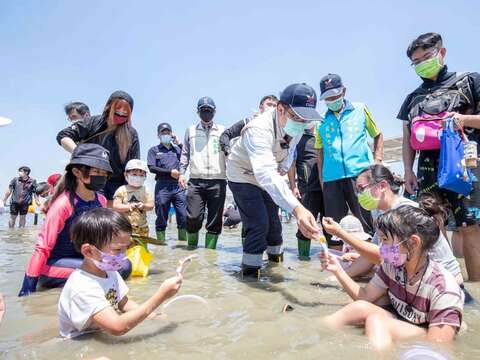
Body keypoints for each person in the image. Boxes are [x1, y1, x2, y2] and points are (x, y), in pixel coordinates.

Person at [321, 205, 464, 351]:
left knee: (377, 321)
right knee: (358, 307)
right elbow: (364, 297)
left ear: (413, 243)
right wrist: (337, 271)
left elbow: (438, 345)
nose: (381, 247)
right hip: (401, 321)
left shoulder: (444, 289)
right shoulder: (392, 266)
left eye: (385, 239)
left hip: (428, 333)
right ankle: (317, 333)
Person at [399, 32, 480, 281]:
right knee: (433, 227)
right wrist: (408, 170)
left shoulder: (469, 81)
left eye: (427, 56)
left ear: (442, 53)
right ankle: (446, 287)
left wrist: (463, 119)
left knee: (470, 227)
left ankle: (475, 291)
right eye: (416, 61)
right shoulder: (412, 99)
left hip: (463, 165)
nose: (422, 63)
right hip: (427, 169)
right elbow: (407, 139)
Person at [323, 165, 471, 301]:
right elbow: (370, 257)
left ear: (382, 186)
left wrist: (340, 233)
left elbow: (381, 254)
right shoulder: (382, 214)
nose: (359, 195)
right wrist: (339, 276)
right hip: (419, 284)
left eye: (362, 189)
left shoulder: (404, 212)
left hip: (446, 290)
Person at [227, 83, 321, 278]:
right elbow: (265, 173)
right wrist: (298, 209)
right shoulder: (258, 128)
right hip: (243, 176)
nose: (302, 123)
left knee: (275, 226)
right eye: (297, 117)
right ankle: (251, 277)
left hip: (268, 175)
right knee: (259, 223)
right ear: (280, 109)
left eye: (306, 119)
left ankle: (276, 268)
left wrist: (284, 168)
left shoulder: (294, 127)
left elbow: (289, 153)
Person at [18, 144, 132, 297]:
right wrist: (27, 289)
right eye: (96, 172)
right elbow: (42, 248)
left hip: (84, 258)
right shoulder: (64, 205)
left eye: (104, 173)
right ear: (77, 172)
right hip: (55, 265)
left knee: (124, 265)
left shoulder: (101, 200)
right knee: (108, 271)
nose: (101, 177)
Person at [58, 208, 183, 338]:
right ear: (89, 251)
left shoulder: (109, 270)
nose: (124, 255)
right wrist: (161, 296)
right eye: (117, 249)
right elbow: (117, 327)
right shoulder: (82, 286)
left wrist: (154, 317)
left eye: (126, 247)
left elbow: (123, 303)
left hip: (99, 335)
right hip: (78, 342)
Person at [315, 74, 384, 245]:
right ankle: (339, 263)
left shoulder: (360, 109)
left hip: (360, 175)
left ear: (344, 91)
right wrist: (321, 178)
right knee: (334, 227)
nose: (332, 100)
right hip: (331, 179)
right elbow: (319, 151)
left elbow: (378, 134)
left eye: (335, 95)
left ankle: (371, 261)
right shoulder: (320, 121)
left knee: (367, 221)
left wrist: (377, 161)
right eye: (327, 98)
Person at [57, 91, 140, 206]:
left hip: (117, 184)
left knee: (112, 220)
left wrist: (130, 191)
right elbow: (63, 136)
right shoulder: (93, 122)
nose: (121, 112)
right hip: (92, 179)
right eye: (118, 108)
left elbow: (133, 164)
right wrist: (79, 152)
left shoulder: (131, 133)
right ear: (109, 106)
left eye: (125, 110)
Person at [178, 97, 227, 249]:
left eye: (209, 110)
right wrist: (181, 173)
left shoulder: (223, 130)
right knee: (193, 217)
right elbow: (185, 153)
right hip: (196, 181)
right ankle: (191, 249)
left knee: (214, 220)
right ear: (198, 112)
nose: (207, 113)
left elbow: (228, 153)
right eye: (203, 110)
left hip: (218, 180)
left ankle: (209, 255)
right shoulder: (190, 130)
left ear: (215, 111)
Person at [288, 126, 325, 260]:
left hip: (327, 187)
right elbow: (291, 163)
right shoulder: (296, 139)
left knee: (328, 224)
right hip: (308, 188)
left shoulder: (323, 135)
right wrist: (293, 186)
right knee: (305, 225)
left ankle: (331, 257)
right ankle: (303, 259)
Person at [148, 122, 187, 243]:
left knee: (183, 216)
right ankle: (161, 246)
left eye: (168, 132)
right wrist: (170, 172)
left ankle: (182, 246)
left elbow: (187, 155)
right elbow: (151, 167)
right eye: (163, 132)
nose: (165, 134)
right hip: (162, 186)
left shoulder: (177, 150)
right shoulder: (154, 150)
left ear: (171, 134)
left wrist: (179, 143)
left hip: (178, 186)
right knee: (161, 216)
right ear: (158, 135)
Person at [112, 159, 154, 238]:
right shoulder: (122, 189)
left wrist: (144, 206)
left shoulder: (146, 190)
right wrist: (129, 207)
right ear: (126, 174)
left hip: (142, 228)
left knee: (142, 249)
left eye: (141, 175)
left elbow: (151, 205)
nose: (138, 177)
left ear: (145, 176)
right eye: (134, 174)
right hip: (124, 228)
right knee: (126, 249)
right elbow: (116, 206)